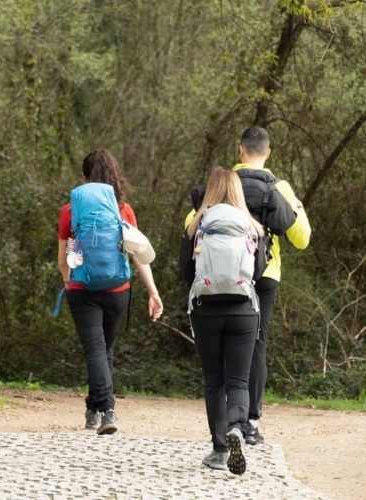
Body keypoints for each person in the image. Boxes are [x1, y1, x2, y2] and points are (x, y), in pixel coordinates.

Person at [186, 126, 311, 445]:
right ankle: (249, 421)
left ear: (240, 150)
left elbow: (190, 226)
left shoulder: (222, 184)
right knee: (255, 343)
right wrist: (295, 206)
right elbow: (302, 239)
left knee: (219, 355)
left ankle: (223, 426)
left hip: (216, 279)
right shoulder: (278, 188)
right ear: (267, 152)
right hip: (263, 274)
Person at [57, 149, 163, 435]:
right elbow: (139, 254)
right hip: (118, 289)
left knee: (95, 350)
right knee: (105, 350)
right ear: (115, 176)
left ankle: (107, 409)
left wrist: (69, 282)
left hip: (83, 289)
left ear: (85, 177)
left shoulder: (70, 210)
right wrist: (153, 292)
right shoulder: (123, 210)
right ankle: (94, 407)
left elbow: (63, 258)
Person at [185, 166, 264, 475]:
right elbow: (256, 273)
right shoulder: (252, 226)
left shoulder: (197, 224)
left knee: (215, 380)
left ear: (210, 191)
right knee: (239, 381)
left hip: (206, 309)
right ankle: (236, 427)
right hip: (243, 309)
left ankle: (219, 451)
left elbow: (184, 271)